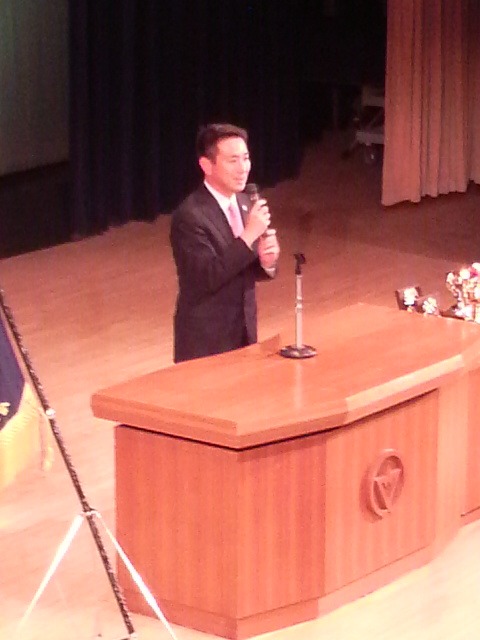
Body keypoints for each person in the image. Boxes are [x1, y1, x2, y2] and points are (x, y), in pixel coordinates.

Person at [170, 123, 280, 363]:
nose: (243, 168)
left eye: (246, 158)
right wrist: (248, 236)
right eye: (233, 160)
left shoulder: (245, 203)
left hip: (244, 335)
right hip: (206, 342)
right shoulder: (190, 216)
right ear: (206, 165)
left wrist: (266, 262)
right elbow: (207, 277)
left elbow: (240, 268)